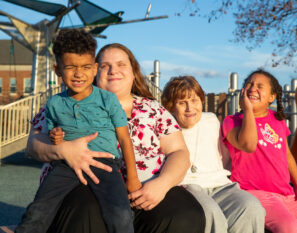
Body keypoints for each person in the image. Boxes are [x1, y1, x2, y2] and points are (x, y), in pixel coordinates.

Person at [26, 43, 205, 233]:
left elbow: (179, 151)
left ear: (133, 72)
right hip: (84, 184)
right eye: (105, 66)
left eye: (121, 64)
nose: (113, 71)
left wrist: (162, 184)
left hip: (147, 190)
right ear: (95, 72)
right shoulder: (64, 103)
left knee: (186, 214)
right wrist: (63, 150)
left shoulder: (153, 110)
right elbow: (33, 145)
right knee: (85, 212)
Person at [16, 29, 141, 233]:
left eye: (85, 67)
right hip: (65, 166)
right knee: (38, 210)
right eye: (70, 67)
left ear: (94, 69)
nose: (78, 73)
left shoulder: (107, 99)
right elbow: (52, 136)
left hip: (106, 164)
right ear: (57, 70)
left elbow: (124, 139)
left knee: (120, 214)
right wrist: (55, 136)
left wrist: (133, 179)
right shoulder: (55, 103)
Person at [221, 69, 297, 233]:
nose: (253, 88)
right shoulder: (231, 121)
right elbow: (248, 145)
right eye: (249, 84)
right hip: (254, 193)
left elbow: (287, 155)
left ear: (271, 97)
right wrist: (248, 110)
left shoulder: (277, 120)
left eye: (260, 86)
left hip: (285, 194)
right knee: (290, 227)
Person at [161, 75, 265, 233]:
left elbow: (224, 157)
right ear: (171, 107)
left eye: (194, 100)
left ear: (201, 101)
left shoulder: (211, 121)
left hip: (219, 186)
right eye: (182, 103)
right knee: (210, 213)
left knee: (251, 206)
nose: (190, 108)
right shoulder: (165, 128)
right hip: (187, 186)